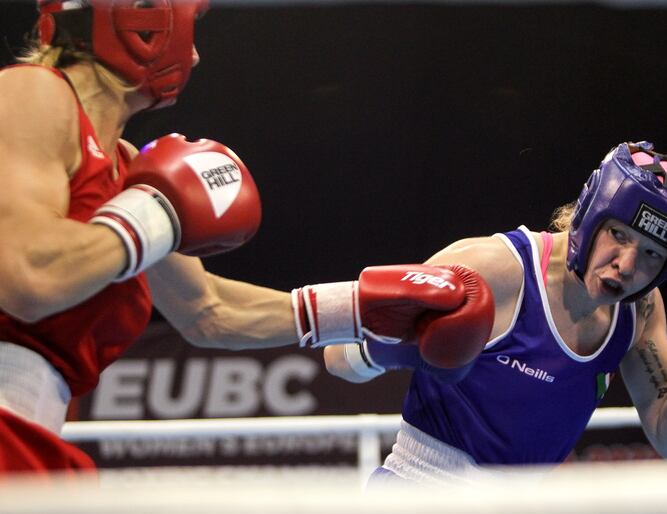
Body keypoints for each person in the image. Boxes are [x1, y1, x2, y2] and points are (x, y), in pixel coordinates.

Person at [0, 0, 495, 475]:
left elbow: (209, 311)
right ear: (145, 20)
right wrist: (157, 212)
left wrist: (363, 309)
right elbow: (28, 279)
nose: (194, 54)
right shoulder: (33, 93)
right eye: (192, 25)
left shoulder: (129, 167)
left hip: (35, 438)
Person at [323, 141, 667, 486]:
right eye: (618, 234)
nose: (627, 264)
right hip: (421, 488)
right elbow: (336, 357)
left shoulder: (639, 311)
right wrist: (383, 345)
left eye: (653, 254)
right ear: (590, 214)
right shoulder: (494, 269)